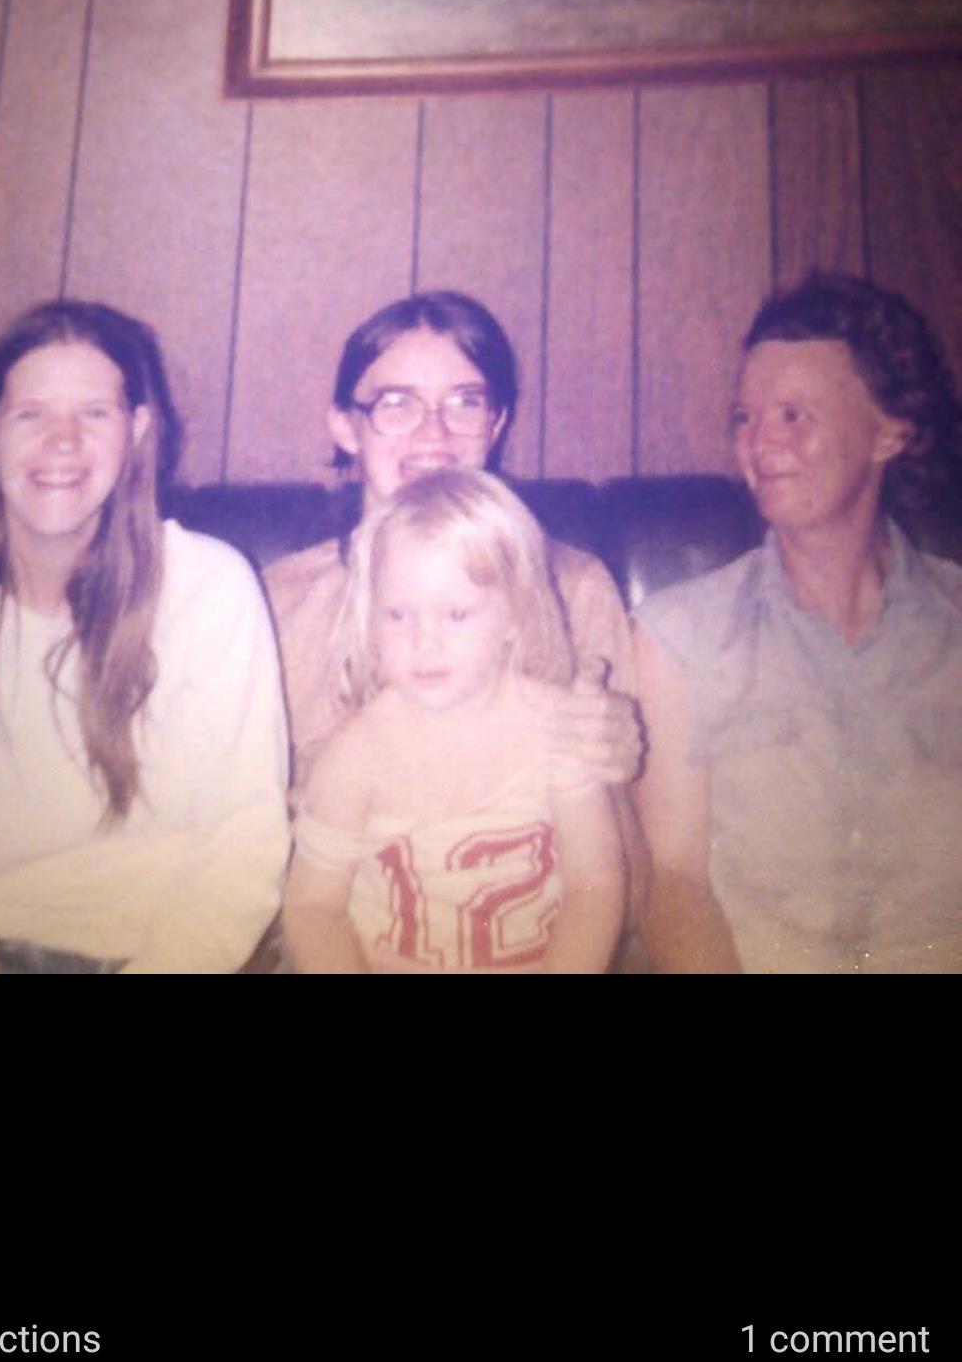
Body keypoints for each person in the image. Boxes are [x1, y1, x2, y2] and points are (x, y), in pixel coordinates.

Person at [0, 299, 290, 973]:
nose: (63, 441)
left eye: (94, 413)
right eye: (31, 414)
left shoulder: (209, 591)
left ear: (136, 433)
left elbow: (242, 844)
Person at [633, 272, 962, 974]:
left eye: (793, 415)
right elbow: (674, 884)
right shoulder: (679, 637)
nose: (761, 443)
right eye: (744, 419)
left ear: (889, 432)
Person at [262, 291, 644, 796]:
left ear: (496, 424)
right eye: (396, 403)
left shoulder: (573, 590)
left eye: (465, 402)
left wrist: (612, 754)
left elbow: (629, 831)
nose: (434, 434)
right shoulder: (277, 603)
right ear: (347, 427)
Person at [283, 470, 628, 973]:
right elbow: (313, 909)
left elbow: (594, 888)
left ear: (515, 616)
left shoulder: (560, 729)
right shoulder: (355, 756)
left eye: (457, 615)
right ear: (369, 619)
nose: (425, 641)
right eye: (398, 615)